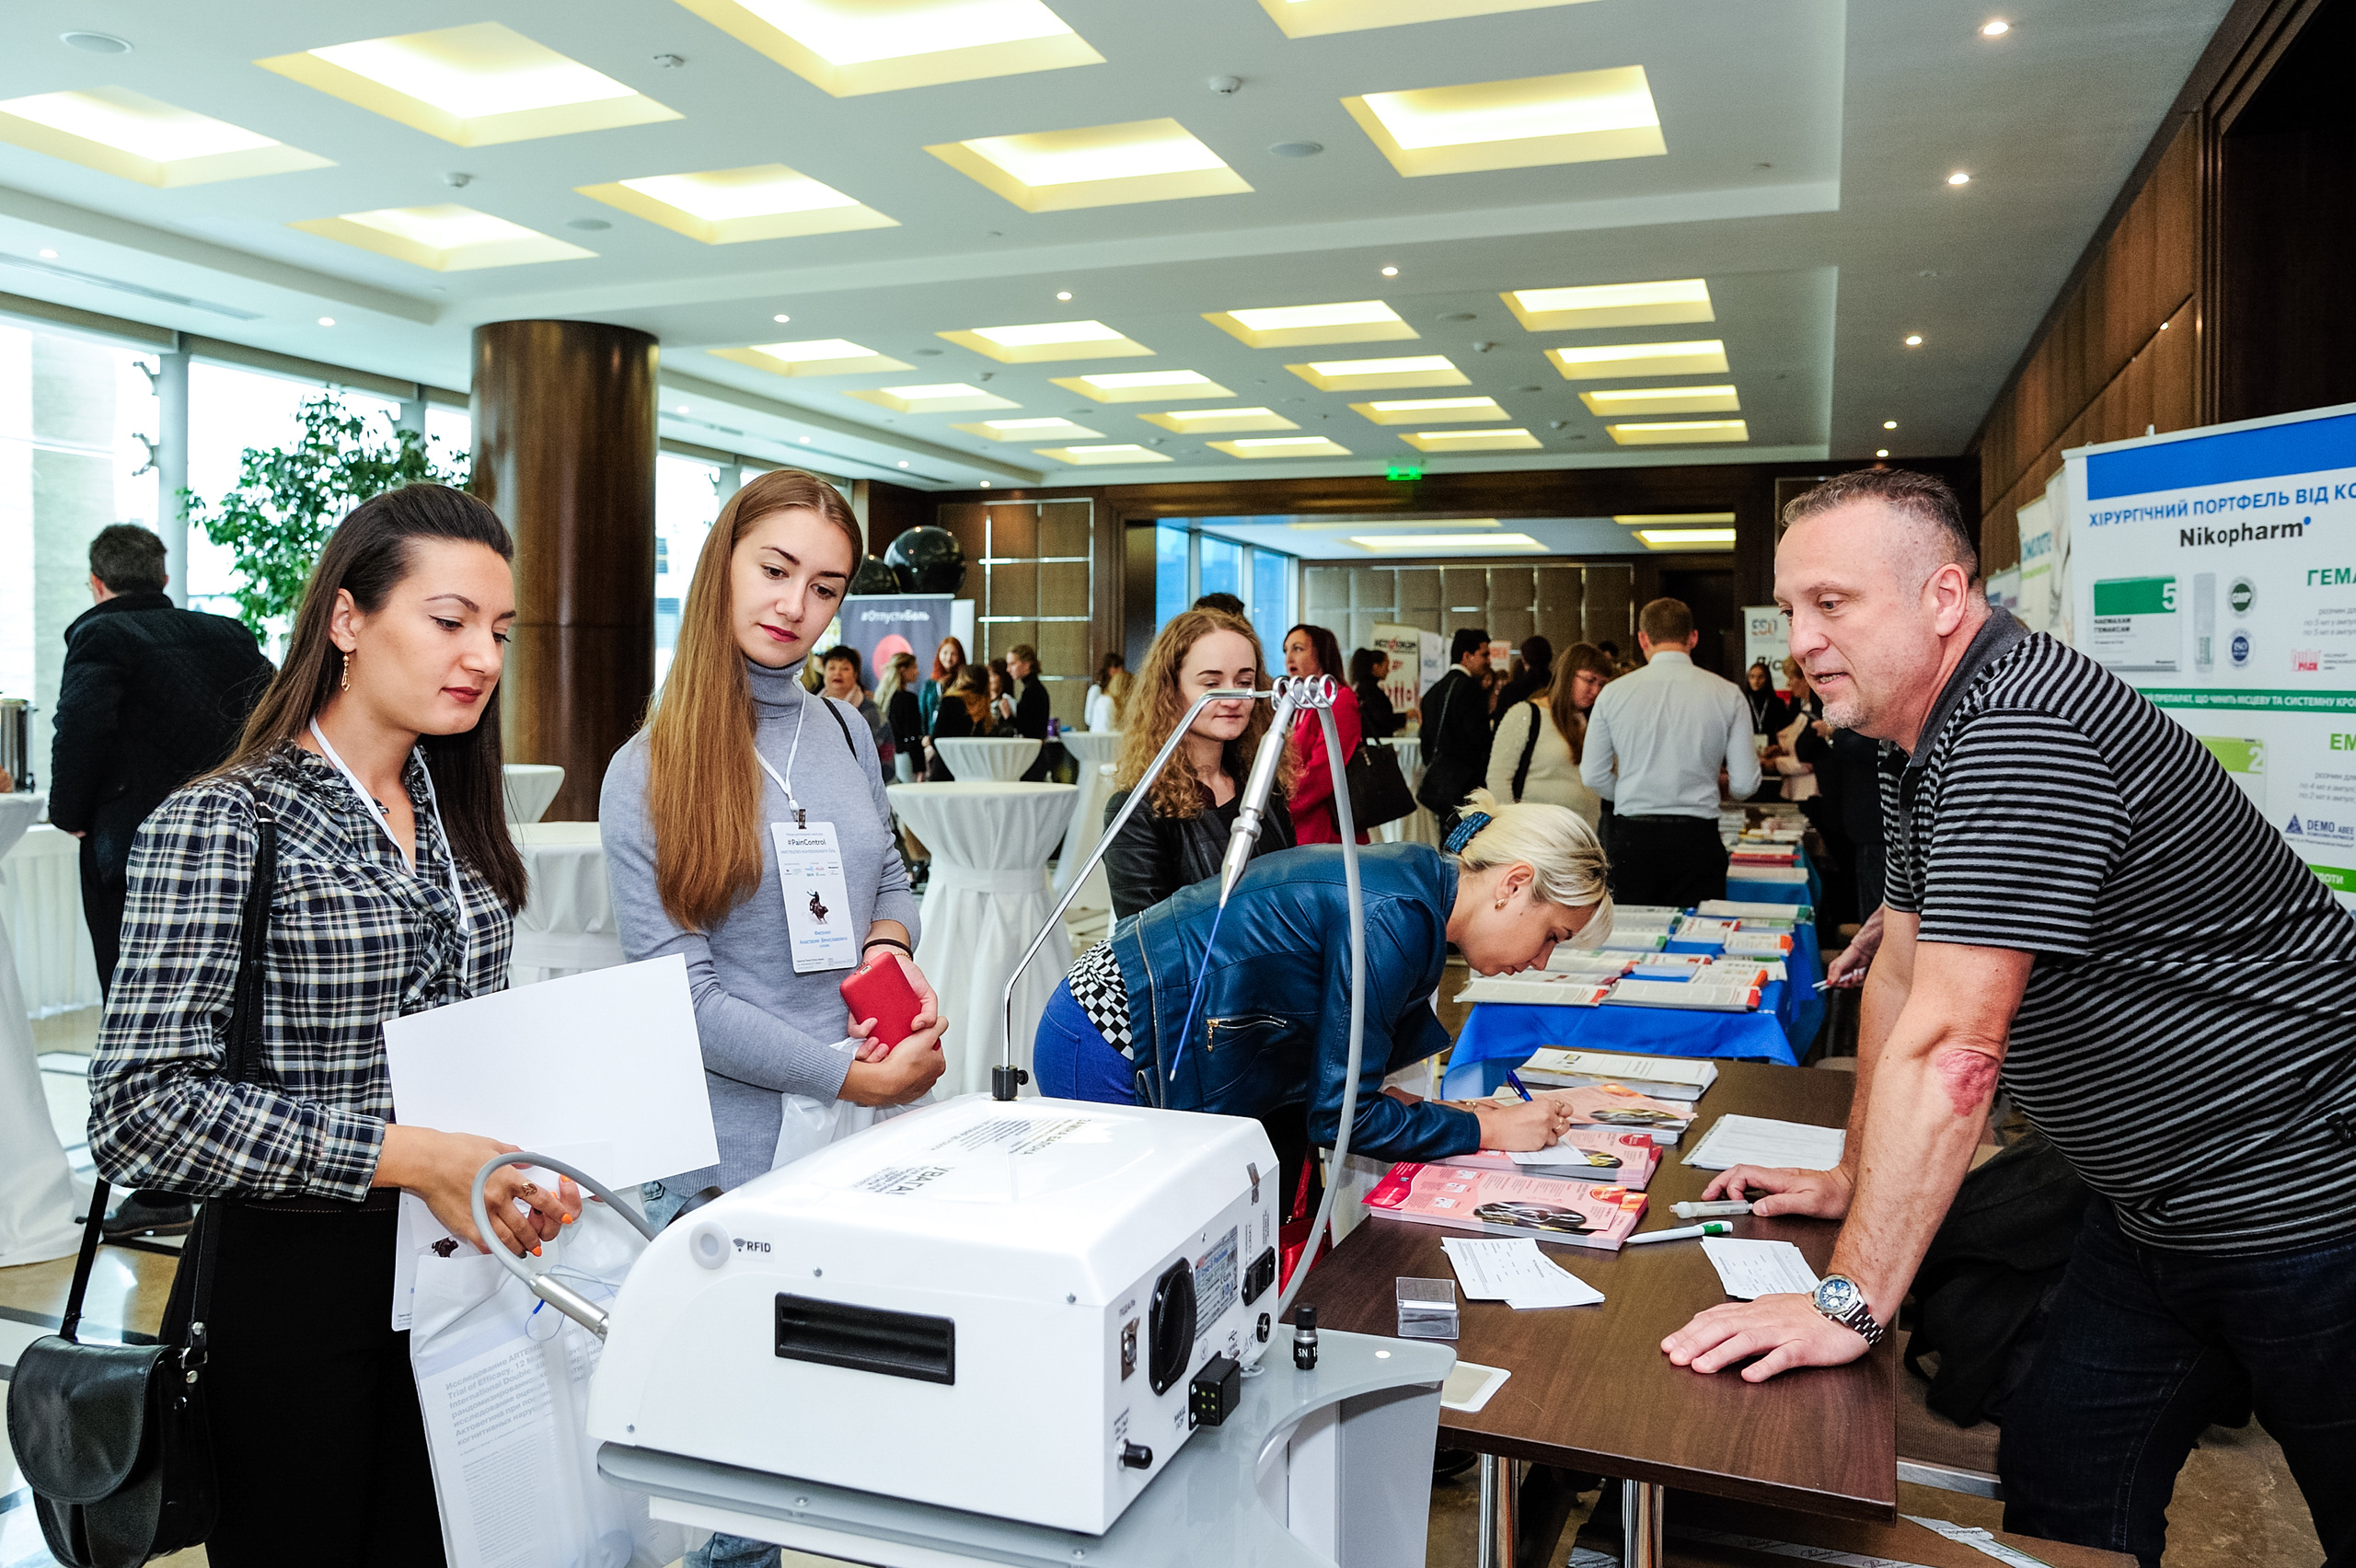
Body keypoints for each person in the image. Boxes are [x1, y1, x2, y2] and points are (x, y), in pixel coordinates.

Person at [1659, 468, 2356, 1568]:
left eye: (1832, 604)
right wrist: (1850, 1177)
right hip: (2147, 1201)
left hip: (2301, 1197)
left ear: (1943, 597)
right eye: (1791, 608)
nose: (1800, 637)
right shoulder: (1911, 736)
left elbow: (1955, 1053)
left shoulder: (2019, 726)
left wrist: (1849, 1303)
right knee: (2065, 1473)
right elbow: (1898, 970)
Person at [87, 483, 582, 1564]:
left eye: (498, 632)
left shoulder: (459, 811)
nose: (482, 658)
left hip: (461, 1272)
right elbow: (137, 1114)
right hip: (294, 1286)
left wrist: (515, 1165)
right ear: (348, 621)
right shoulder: (226, 816)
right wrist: (403, 1155)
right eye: (448, 622)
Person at [1034, 793, 1607, 1182]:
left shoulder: (1419, 887)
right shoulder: (1398, 915)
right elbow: (1340, 1117)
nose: (1540, 960)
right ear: (1513, 884)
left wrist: (1450, 1113)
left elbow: (1335, 1064)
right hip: (1114, 1034)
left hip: (1131, 1021)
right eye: (1551, 934)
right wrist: (1489, 1126)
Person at [49, 522, 274, 1238]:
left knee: (140, 1014)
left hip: (140, 854)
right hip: (245, 844)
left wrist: (71, 815)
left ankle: (159, 1191)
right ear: (164, 576)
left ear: (98, 581)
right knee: (241, 1002)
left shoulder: (99, 636)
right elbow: (275, 715)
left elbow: (79, 728)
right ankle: (241, 1158)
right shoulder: (228, 634)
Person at [1101, 607, 1296, 919]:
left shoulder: (1263, 788)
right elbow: (1150, 943)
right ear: (1171, 690)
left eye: (1244, 681)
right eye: (1211, 684)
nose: (1233, 699)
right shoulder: (1136, 810)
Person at [1579, 597, 1761, 908]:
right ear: (1693, 638)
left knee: (1630, 941)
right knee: (1698, 939)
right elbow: (1745, 784)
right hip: (1697, 839)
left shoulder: (1613, 693)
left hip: (1631, 836)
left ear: (1643, 639)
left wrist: (1628, 792)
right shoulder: (1727, 694)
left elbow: (1593, 774)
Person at [1486, 641, 1608, 827]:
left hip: (1582, 833)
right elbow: (1498, 777)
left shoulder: (1593, 720)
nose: (1596, 691)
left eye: (1602, 684)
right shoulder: (1526, 713)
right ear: (1568, 675)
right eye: (1590, 680)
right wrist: (1511, 827)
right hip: (1534, 831)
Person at [1281, 622, 1366, 847]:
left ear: (1321, 653)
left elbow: (1323, 772)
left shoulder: (1339, 699)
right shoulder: (1301, 701)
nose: (1289, 657)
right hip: (1302, 826)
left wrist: (1280, 808)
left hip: (1327, 832)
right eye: (1286, 650)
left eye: (1298, 648)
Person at [1415, 628, 1494, 836]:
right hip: (1469, 789)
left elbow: (1426, 743)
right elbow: (1480, 742)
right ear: (1467, 656)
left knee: (1448, 843)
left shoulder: (1433, 693)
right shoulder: (1470, 690)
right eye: (1484, 654)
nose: (1489, 661)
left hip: (1442, 787)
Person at [818, 644, 891, 780]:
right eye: (832, 667)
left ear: (855, 674)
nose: (837, 673)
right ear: (824, 673)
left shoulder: (870, 710)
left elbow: (885, 755)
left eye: (845, 668)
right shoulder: (810, 707)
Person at [924, 663, 994, 780]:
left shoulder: (950, 701)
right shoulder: (985, 707)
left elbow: (938, 737)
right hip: (974, 770)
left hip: (946, 767)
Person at [1004, 641, 1053, 780]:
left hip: (1033, 755)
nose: (1008, 669)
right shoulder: (1034, 689)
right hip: (1036, 754)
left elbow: (1029, 729)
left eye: (1012, 664)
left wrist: (1009, 717)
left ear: (1027, 664)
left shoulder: (1032, 691)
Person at [878, 651, 924, 778]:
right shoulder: (908, 699)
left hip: (886, 758)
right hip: (905, 759)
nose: (917, 672)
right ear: (903, 670)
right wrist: (920, 767)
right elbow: (913, 735)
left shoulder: (882, 698)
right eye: (914, 667)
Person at [1350, 648, 1405, 739]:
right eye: (1386, 666)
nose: (1388, 670)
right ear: (1376, 667)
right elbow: (1383, 719)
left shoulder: (1362, 687)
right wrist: (1404, 717)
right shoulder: (1371, 690)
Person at [1493, 635, 1553, 719]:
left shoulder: (1510, 691)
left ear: (1523, 659)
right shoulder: (1556, 689)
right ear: (1549, 658)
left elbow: (1499, 726)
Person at [918, 636, 965, 732]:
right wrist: (924, 737)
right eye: (945, 653)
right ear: (939, 654)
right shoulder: (929, 685)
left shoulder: (962, 683)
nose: (949, 658)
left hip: (954, 737)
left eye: (953, 654)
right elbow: (922, 714)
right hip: (930, 738)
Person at [1085, 651, 1131, 731]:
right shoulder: (1097, 690)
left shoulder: (1122, 689)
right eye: (1115, 667)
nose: (1119, 671)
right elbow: (1088, 719)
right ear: (1107, 669)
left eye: (1120, 667)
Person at [1743, 660, 1777, 732]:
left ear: (1767, 678)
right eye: (1752, 677)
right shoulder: (1742, 702)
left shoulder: (1777, 703)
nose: (1756, 681)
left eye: (1760, 677)